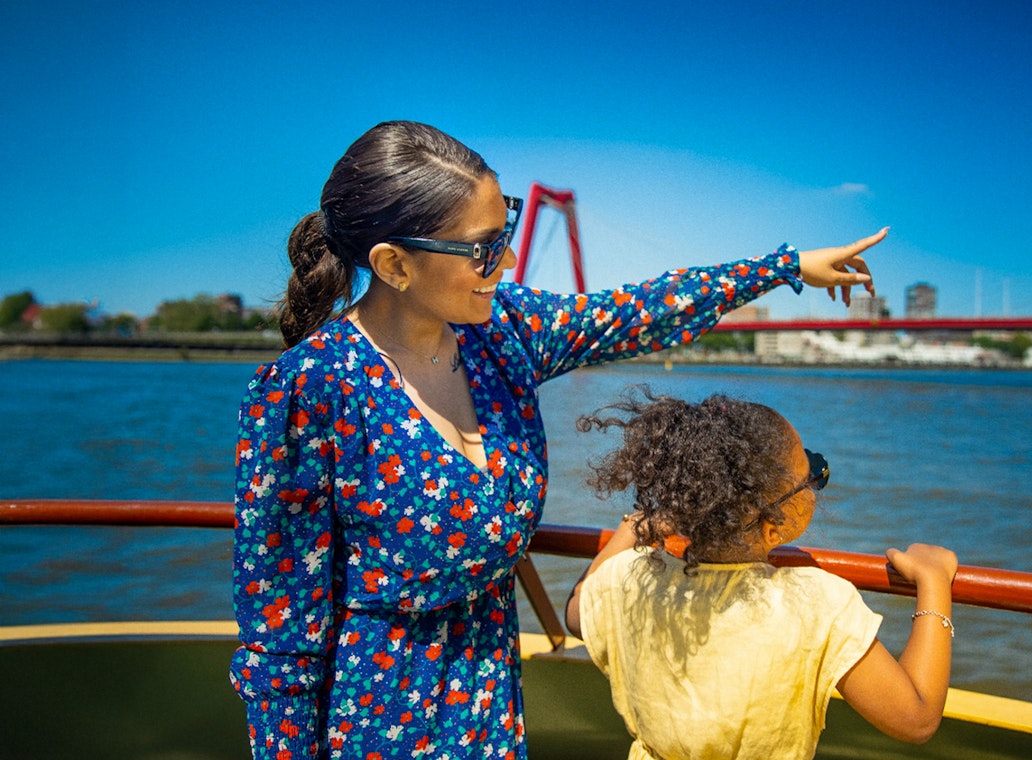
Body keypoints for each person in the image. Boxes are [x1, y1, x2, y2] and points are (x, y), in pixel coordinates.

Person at [229, 119, 889, 760]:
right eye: (484, 247)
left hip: (492, 708)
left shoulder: (503, 332)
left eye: (507, 228)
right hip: (379, 723)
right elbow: (282, 638)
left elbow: (638, 312)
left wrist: (785, 266)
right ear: (394, 264)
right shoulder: (306, 392)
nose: (509, 259)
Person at [565, 390, 958, 759]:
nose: (816, 482)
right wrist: (935, 581)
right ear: (774, 526)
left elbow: (576, 612)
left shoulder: (631, 579)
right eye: (813, 476)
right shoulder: (816, 604)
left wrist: (636, 527)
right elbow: (916, 718)